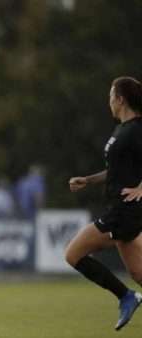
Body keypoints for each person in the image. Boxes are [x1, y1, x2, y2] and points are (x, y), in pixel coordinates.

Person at [65, 76, 142, 331]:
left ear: (120, 99)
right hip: (120, 210)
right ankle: (128, 295)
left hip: (124, 212)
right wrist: (88, 180)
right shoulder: (122, 129)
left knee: (73, 254)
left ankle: (126, 297)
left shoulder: (137, 129)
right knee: (138, 273)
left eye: (111, 95)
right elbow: (116, 170)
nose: (108, 100)